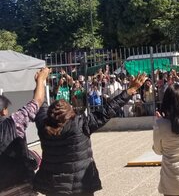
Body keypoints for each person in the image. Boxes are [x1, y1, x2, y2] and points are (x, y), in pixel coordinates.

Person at [33, 73, 147, 196]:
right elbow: (108, 110)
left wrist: (40, 82)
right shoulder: (81, 124)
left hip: (54, 187)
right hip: (82, 186)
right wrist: (131, 90)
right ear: (70, 113)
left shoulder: (43, 125)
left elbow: (39, 103)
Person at [0, 67, 50, 196]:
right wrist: (40, 80)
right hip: (23, 184)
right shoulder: (15, 121)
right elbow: (37, 101)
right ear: (3, 111)